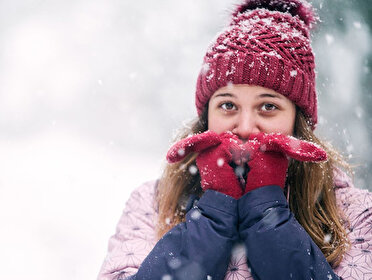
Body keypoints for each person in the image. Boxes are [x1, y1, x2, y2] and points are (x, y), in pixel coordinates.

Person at [98, 0, 372, 279]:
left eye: (268, 107)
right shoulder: (152, 204)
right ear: (206, 117)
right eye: (228, 105)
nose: (244, 127)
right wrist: (213, 213)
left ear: (297, 120)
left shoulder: (356, 212)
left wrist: (267, 211)